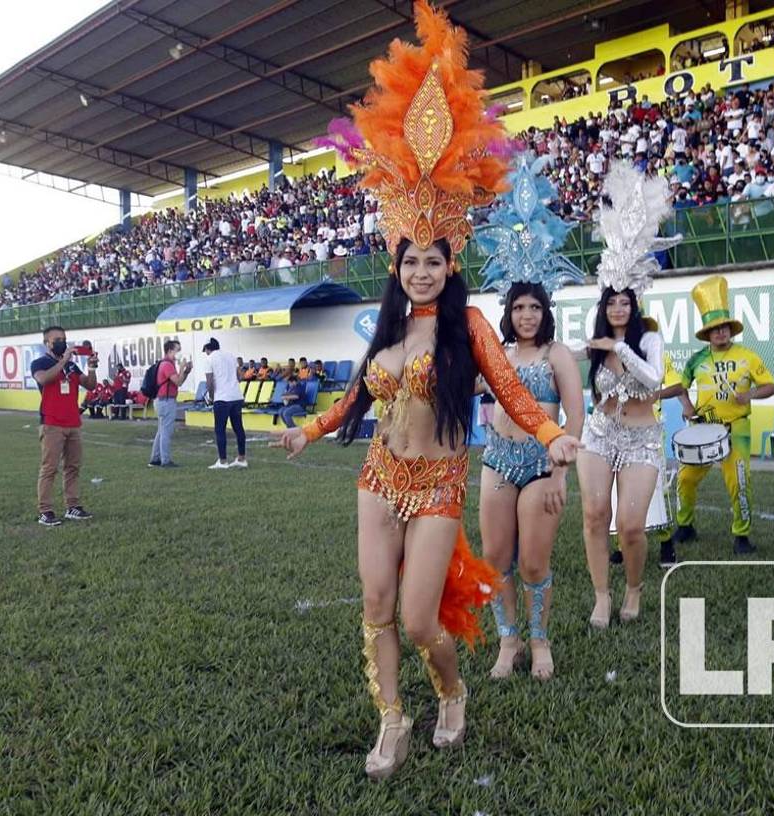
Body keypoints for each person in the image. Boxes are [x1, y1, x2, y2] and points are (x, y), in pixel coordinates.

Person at [273, 3, 579, 781]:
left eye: (433, 261)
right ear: (396, 263)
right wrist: (309, 431)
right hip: (379, 478)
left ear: (450, 263)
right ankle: (391, 722)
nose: (421, 271)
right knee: (375, 607)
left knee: (417, 621)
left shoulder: (469, 326)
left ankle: (451, 691)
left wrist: (550, 436)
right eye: (410, 261)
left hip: (439, 485)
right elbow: (354, 401)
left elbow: (510, 389)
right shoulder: (386, 334)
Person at [472, 153, 586, 681]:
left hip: (542, 466)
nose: (526, 315)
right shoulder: (494, 354)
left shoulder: (557, 354)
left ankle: (540, 643)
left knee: (535, 564)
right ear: (508, 311)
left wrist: (561, 470)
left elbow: (575, 417)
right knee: (495, 561)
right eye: (518, 308)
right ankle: (507, 642)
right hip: (497, 463)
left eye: (534, 308)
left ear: (545, 312)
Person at [576, 162, 677, 630]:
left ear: (634, 304)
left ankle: (633, 588)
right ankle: (601, 596)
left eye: (625, 301)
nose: (618, 306)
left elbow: (654, 382)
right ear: (604, 305)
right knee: (595, 515)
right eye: (611, 300)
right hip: (599, 435)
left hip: (641, 439)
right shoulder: (596, 346)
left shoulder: (647, 340)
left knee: (631, 526)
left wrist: (618, 347)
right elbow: (592, 391)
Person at [670, 275, 774, 555]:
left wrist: (750, 395)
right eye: (715, 329)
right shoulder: (697, 360)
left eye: (724, 328)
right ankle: (686, 525)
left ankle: (741, 535)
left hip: (736, 428)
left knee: (739, 483)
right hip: (703, 429)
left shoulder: (748, 356)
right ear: (707, 333)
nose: (720, 333)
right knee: (685, 479)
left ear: (731, 329)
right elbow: (681, 387)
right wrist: (686, 406)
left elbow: (771, 386)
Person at [31, 325, 98, 526]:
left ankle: (73, 506)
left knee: (73, 467)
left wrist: (92, 367)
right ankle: (46, 510)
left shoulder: (71, 366)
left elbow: (90, 384)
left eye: (64, 338)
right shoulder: (40, 363)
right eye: (56, 340)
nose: (62, 342)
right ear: (47, 343)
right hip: (52, 423)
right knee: (49, 468)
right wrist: (63, 361)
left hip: (73, 422)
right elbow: (44, 378)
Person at [147, 340, 192, 468]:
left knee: (161, 431)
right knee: (166, 431)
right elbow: (177, 381)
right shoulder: (167, 365)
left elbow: (179, 381)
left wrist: (186, 371)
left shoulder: (167, 364)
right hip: (166, 401)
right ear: (170, 350)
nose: (179, 353)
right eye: (178, 350)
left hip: (163, 401)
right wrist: (182, 368)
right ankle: (165, 460)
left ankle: (155, 458)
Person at [203, 338, 247, 469]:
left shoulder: (209, 359)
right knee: (238, 428)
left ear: (208, 348)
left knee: (220, 430)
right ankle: (242, 458)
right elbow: (239, 377)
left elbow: (210, 382)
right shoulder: (230, 356)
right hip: (236, 396)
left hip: (222, 398)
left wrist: (211, 397)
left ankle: (222, 461)